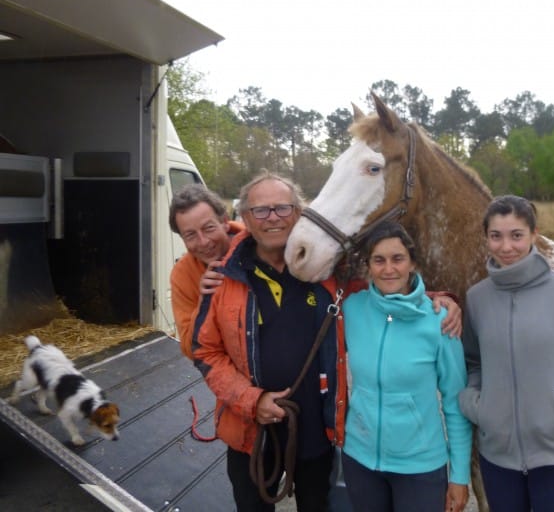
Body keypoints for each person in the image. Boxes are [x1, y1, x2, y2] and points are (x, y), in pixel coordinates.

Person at [191, 171, 462, 512]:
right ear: (245, 217)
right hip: (250, 433)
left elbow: (387, 293)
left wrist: (437, 300)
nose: (272, 217)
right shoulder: (223, 279)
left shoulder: (327, 271)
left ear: (300, 212)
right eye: (261, 210)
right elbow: (204, 352)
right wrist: (250, 400)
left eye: (282, 208)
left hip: (317, 433)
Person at [458, 195, 554, 512]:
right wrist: (477, 405)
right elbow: (473, 362)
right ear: (486, 238)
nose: (506, 247)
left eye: (516, 235)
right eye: (496, 236)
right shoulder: (476, 299)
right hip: (498, 457)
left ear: (534, 234)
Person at [341, 221, 471, 512]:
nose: (389, 269)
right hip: (359, 460)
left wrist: (460, 476)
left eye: (397, 259)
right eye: (379, 260)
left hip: (420, 466)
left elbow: (454, 402)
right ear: (368, 266)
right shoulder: (351, 308)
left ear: (412, 262)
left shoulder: (440, 321)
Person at [168, 183, 245, 359]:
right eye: (190, 235)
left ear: (225, 222)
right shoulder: (183, 275)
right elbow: (191, 349)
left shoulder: (258, 247)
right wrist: (204, 304)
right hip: (228, 370)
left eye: (209, 228)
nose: (203, 242)